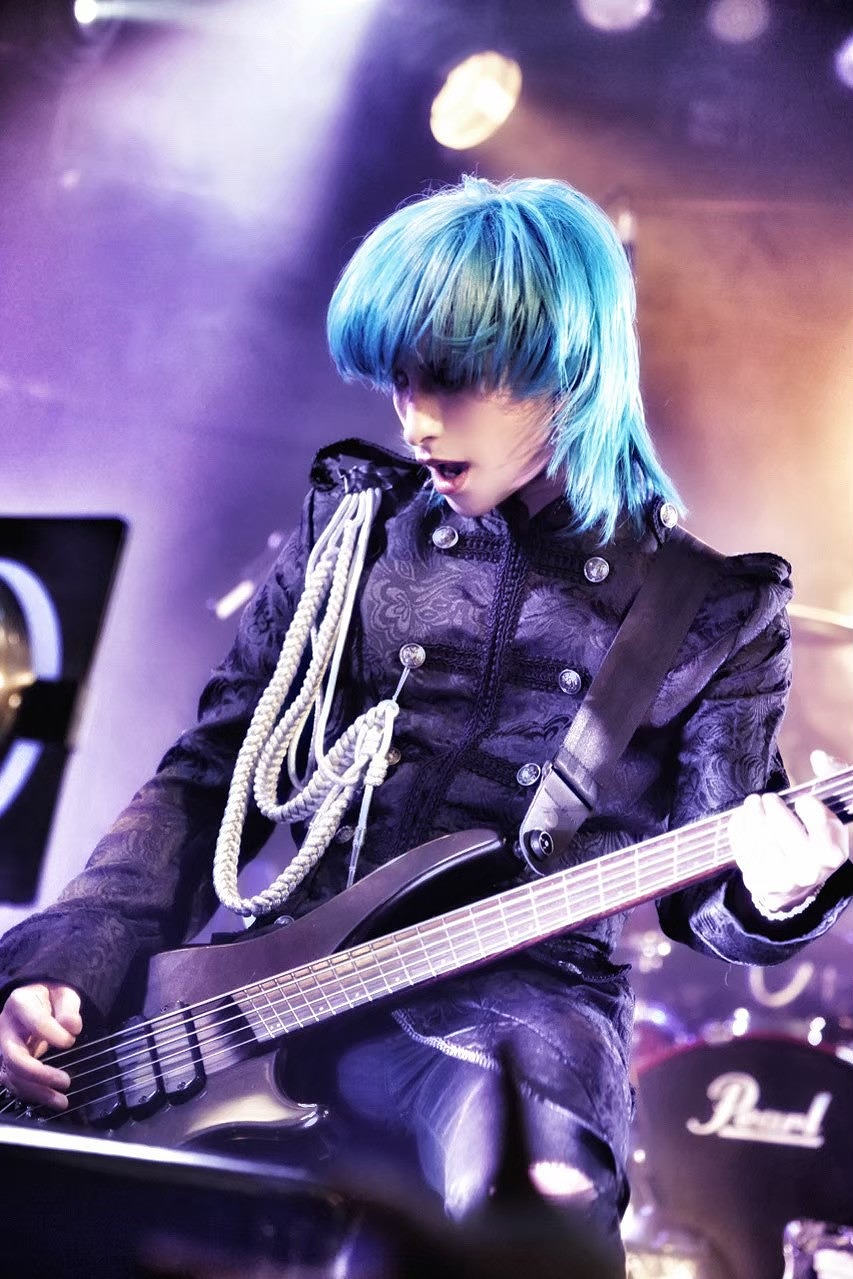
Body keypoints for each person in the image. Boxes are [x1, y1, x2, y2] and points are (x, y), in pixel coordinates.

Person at [0, 176, 850, 1275]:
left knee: (530, 1207)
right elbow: (207, 769)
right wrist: (70, 957)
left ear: (564, 366)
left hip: (520, 1023)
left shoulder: (714, 610)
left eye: (448, 377)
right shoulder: (355, 527)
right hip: (264, 991)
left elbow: (711, 904)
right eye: (400, 376)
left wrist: (781, 892)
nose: (413, 416)